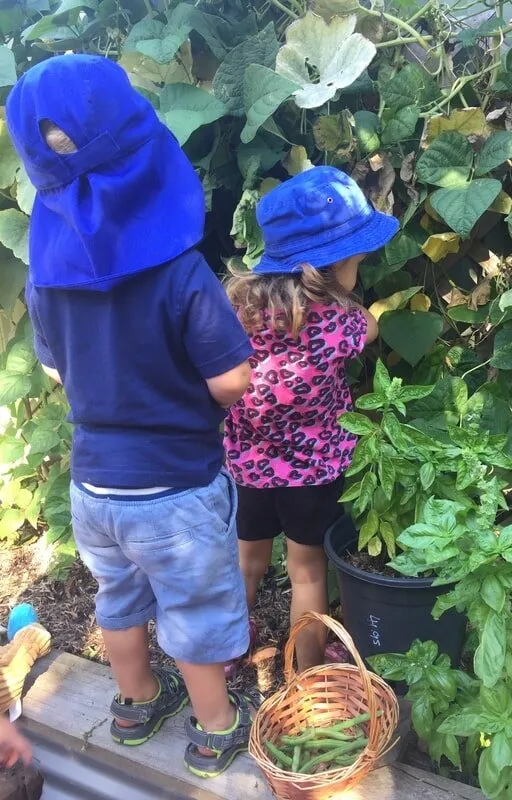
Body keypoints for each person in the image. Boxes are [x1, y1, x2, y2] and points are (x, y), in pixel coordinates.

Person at [6, 55, 260, 779]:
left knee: (118, 598)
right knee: (194, 608)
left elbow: (57, 371)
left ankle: (135, 703)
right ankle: (214, 729)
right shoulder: (181, 273)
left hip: (95, 488)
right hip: (173, 486)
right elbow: (232, 380)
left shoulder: (46, 281)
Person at [224, 166, 399, 671]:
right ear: (333, 264)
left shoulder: (238, 308)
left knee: (247, 560)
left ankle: (229, 650)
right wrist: (346, 301)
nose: (358, 270)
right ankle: (309, 671)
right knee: (306, 572)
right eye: (355, 262)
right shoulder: (338, 320)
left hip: (248, 465)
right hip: (313, 470)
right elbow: (370, 328)